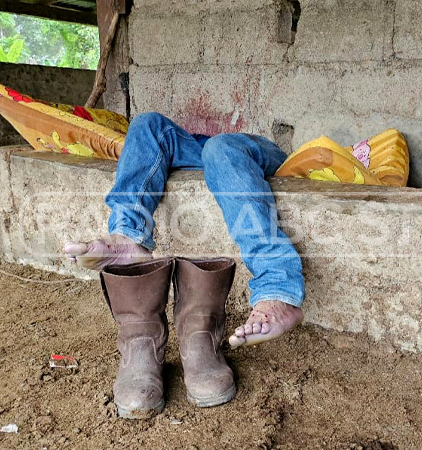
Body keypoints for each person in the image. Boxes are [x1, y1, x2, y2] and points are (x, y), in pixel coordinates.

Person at [63, 112, 305, 416]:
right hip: (203, 147)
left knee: (221, 147)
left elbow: (222, 148)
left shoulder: (235, 145)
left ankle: (277, 287)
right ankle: (128, 235)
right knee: (148, 124)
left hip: (244, 150)